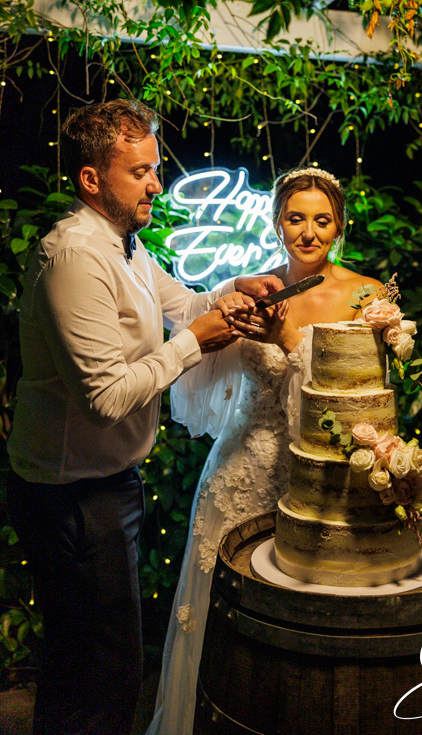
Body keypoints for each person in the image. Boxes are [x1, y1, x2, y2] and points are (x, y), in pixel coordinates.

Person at [6, 99, 283, 735]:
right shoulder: (75, 258)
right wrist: (197, 343)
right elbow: (103, 399)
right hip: (72, 494)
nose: (157, 183)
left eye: (156, 168)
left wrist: (231, 289)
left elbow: (181, 305)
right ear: (91, 179)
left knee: (83, 665)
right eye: (141, 172)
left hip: (102, 488)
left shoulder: (123, 245)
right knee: (106, 676)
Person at [147, 167, 382, 735]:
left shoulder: (365, 297)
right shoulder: (253, 288)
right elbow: (203, 379)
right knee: (225, 611)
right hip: (241, 468)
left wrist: (283, 342)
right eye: (295, 218)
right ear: (277, 223)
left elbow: (353, 410)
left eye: (321, 220)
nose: (308, 232)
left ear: (339, 225)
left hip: (321, 477)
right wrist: (225, 328)